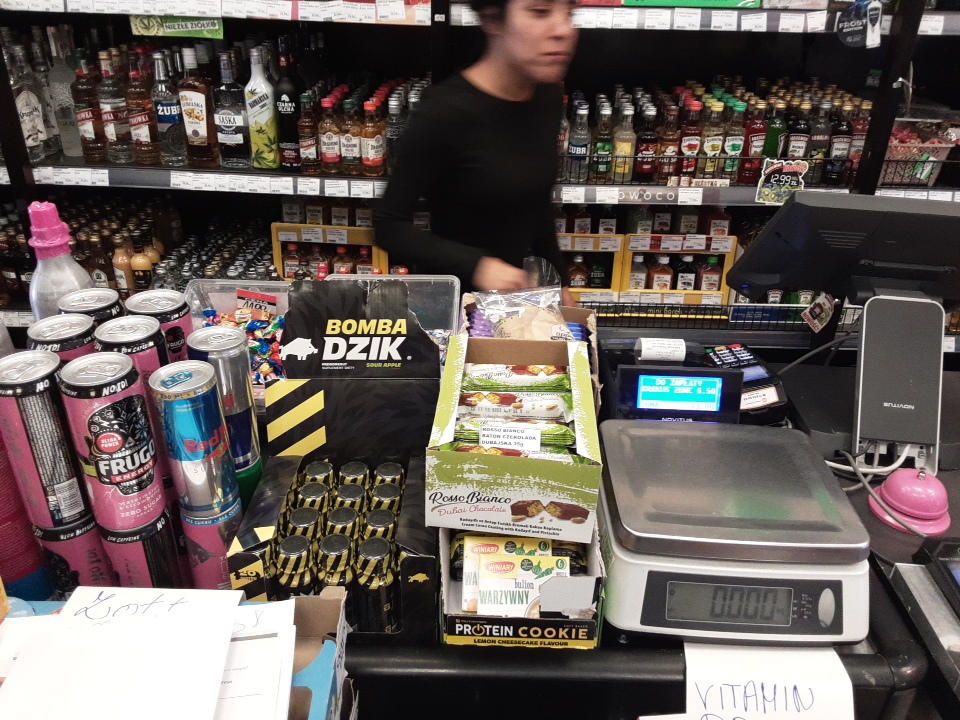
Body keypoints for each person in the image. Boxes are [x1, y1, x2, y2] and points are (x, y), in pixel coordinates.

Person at [374, 0, 578, 304]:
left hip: (511, 303)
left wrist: (560, 285)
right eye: (540, 12)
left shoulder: (547, 97)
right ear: (493, 20)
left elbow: (535, 202)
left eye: (570, 13)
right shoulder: (444, 110)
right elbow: (388, 226)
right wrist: (478, 265)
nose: (564, 30)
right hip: (450, 307)